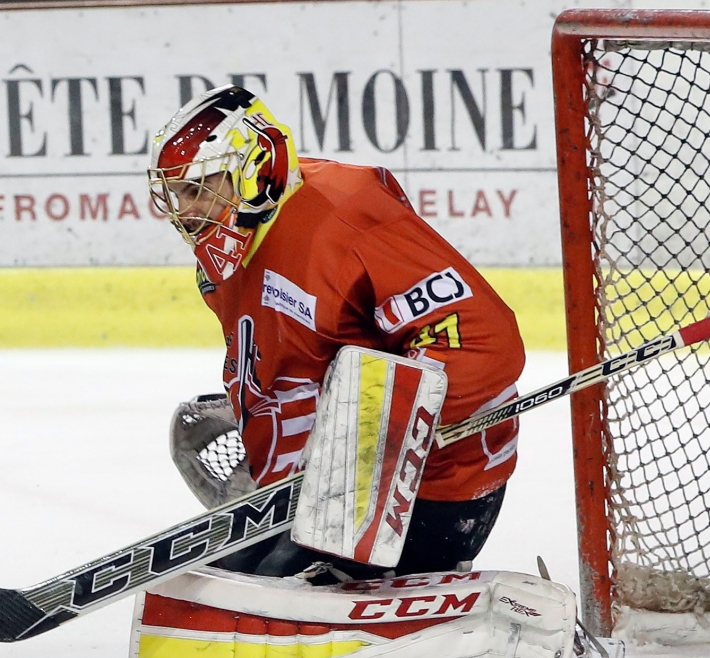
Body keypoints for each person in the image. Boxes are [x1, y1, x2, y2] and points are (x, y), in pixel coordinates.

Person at [146, 85, 526, 579]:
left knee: (272, 585)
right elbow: (296, 359)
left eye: (197, 188)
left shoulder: (347, 217)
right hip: (323, 493)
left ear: (252, 167)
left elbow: (483, 341)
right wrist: (267, 436)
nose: (186, 209)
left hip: (429, 488)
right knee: (226, 576)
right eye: (176, 193)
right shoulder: (227, 250)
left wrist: (363, 442)